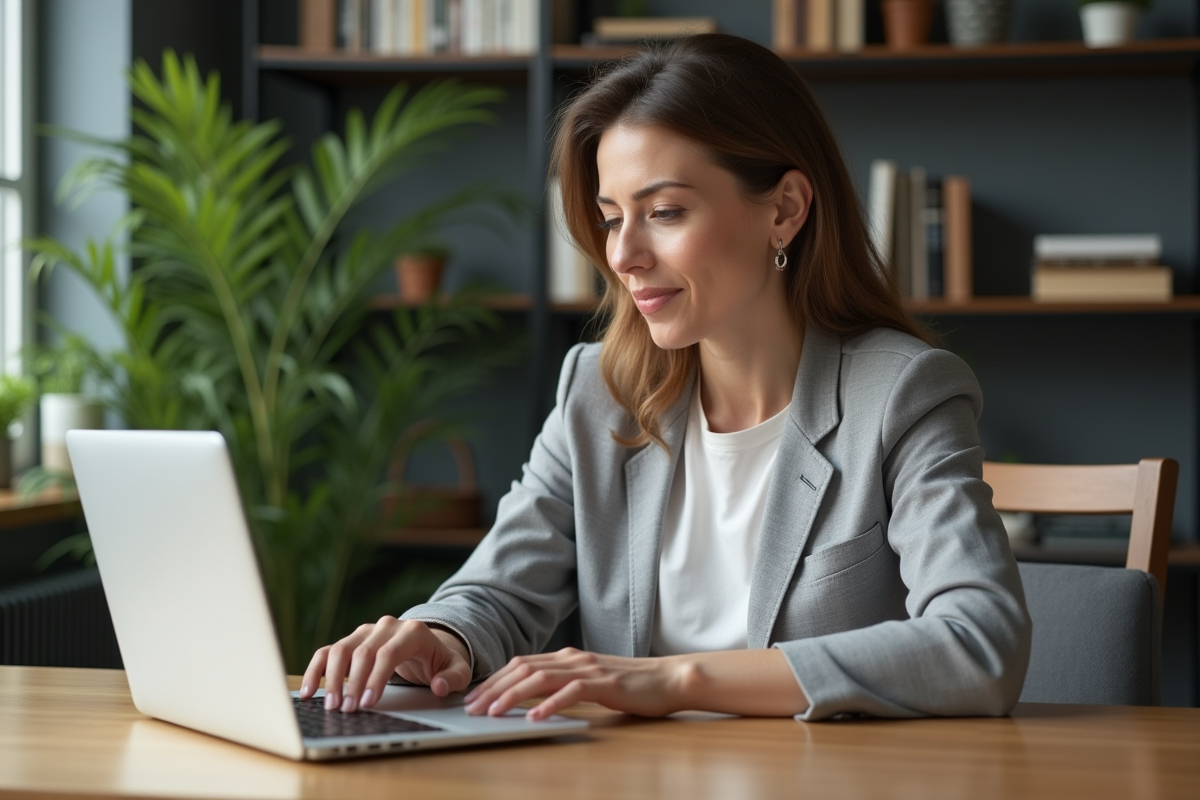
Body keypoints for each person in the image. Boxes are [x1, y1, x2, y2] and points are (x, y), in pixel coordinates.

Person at [300, 33, 1031, 722]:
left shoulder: (902, 393)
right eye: (612, 218)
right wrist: (440, 637)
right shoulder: (597, 392)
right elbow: (497, 592)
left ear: (784, 211)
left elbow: (979, 642)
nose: (624, 255)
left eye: (665, 212)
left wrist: (676, 677)